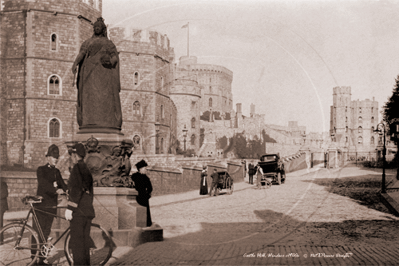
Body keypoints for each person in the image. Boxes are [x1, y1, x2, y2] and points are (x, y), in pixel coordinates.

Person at [71, 17, 122, 131]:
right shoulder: (88, 42)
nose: (97, 29)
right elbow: (82, 53)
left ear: (103, 29)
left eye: (99, 27)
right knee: (89, 98)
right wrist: (75, 64)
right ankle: (89, 121)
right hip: (89, 75)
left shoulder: (108, 43)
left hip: (104, 76)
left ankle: (106, 121)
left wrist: (110, 60)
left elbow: (115, 57)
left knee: (104, 98)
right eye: (95, 27)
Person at [32, 144, 67, 265]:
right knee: (37, 233)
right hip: (41, 207)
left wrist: (69, 191)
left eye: (57, 157)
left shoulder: (57, 171)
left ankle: (42, 260)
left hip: (51, 207)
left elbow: (63, 184)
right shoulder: (41, 169)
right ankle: (33, 259)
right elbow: (43, 184)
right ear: (48, 157)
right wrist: (55, 190)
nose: (55, 159)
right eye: (53, 157)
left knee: (46, 233)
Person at [65, 143, 95, 266]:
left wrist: (70, 208)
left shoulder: (77, 168)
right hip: (87, 212)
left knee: (77, 247)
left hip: (78, 213)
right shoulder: (86, 169)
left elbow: (76, 189)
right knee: (84, 246)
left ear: (75, 155)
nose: (71, 157)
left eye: (72, 155)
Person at [130, 160, 153, 227]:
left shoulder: (145, 177)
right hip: (137, 196)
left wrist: (147, 194)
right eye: (144, 168)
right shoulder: (134, 176)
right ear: (140, 169)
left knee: (145, 211)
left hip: (143, 197)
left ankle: (145, 223)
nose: (146, 170)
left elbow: (150, 188)